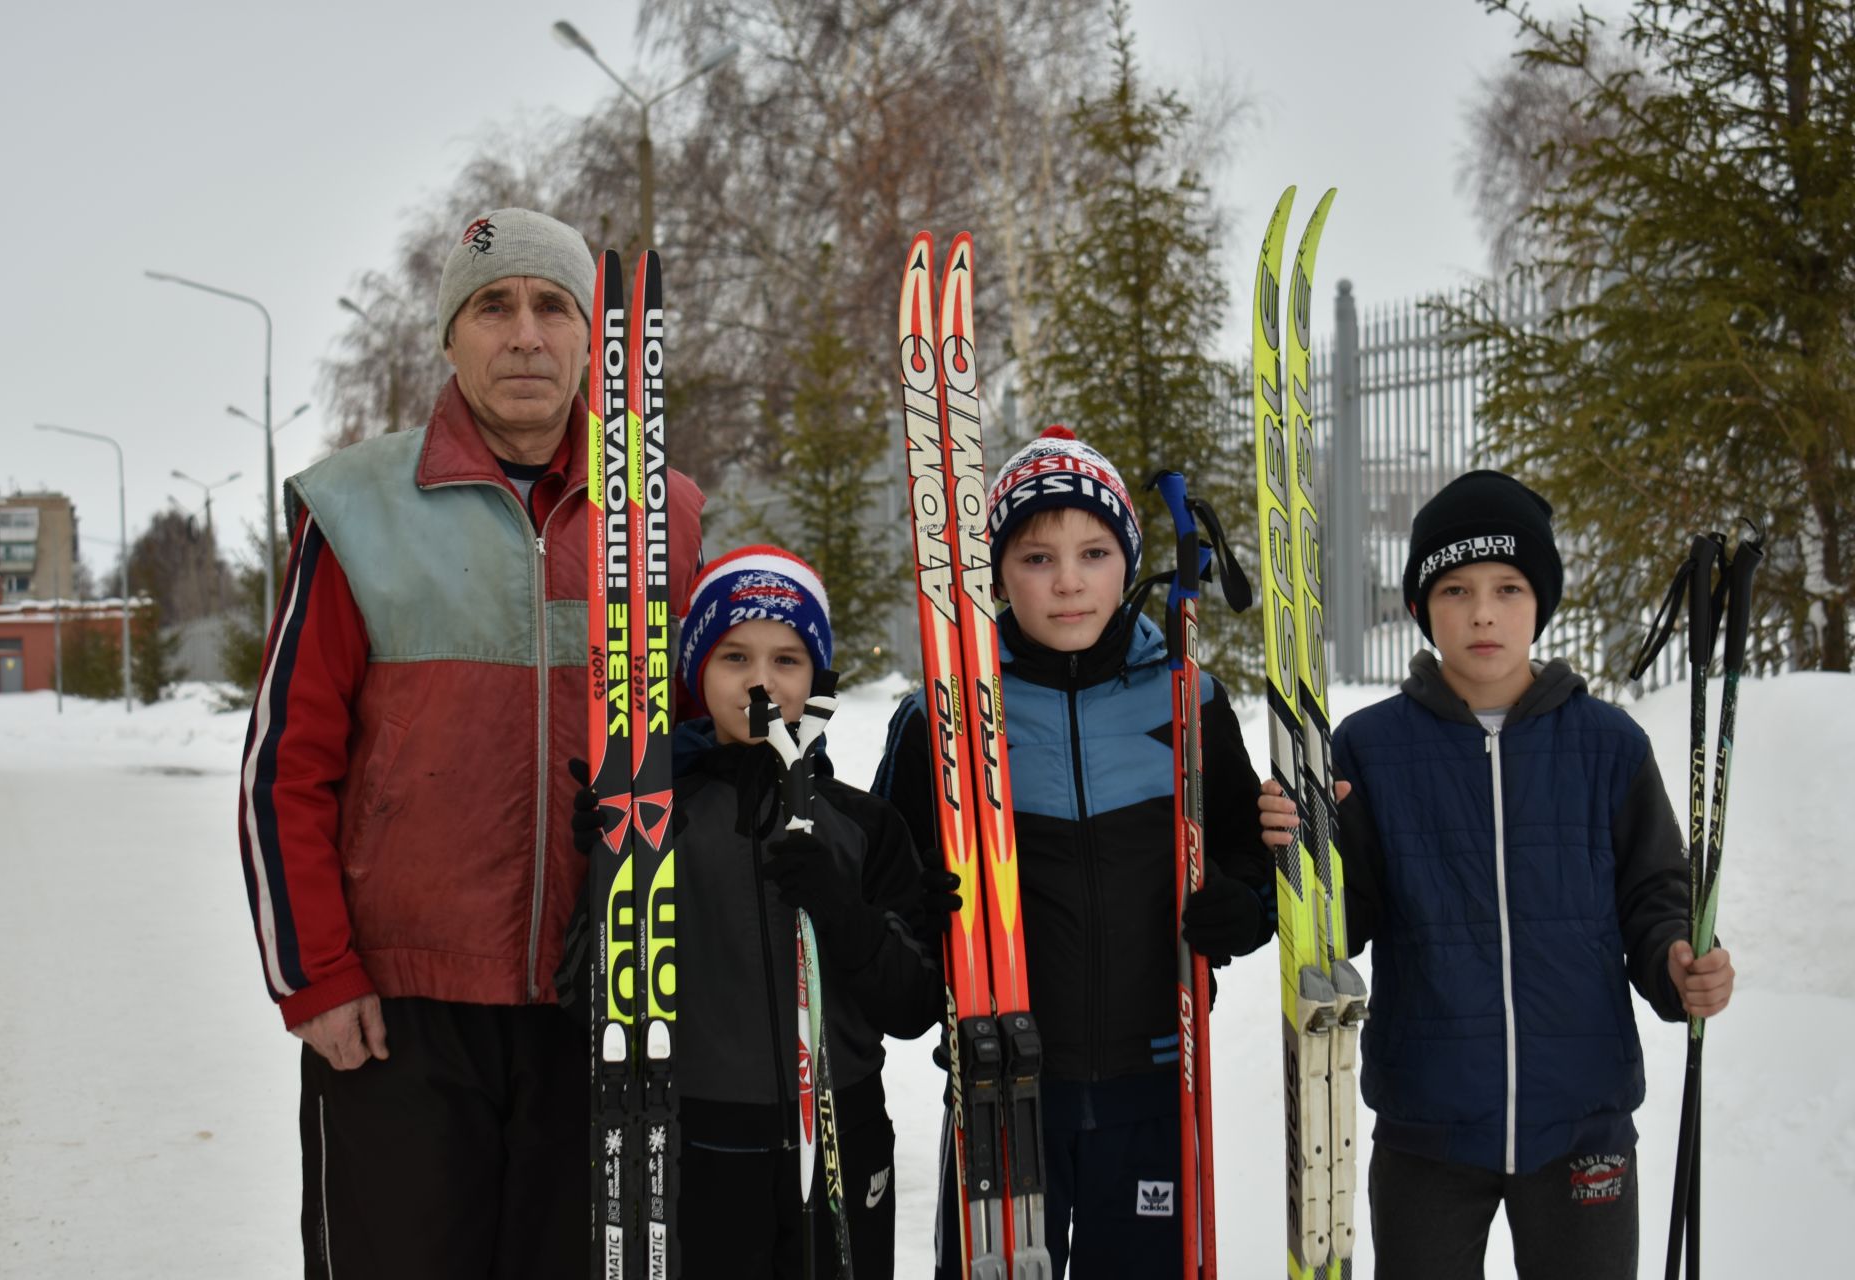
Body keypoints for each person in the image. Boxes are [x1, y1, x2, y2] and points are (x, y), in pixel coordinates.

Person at [235, 207, 705, 1278]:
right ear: (451, 337)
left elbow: (697, 741)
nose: (526, 334)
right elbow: (283, 767)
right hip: (399, 1014)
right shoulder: (358, 509)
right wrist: (316, 978)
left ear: (593, 338)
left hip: (602, 1001)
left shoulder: (662, 514)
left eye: (553, 306)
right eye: (493, 307)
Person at [1260, 469, 1736, 1280]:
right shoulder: (1370, 749)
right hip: (1427, 1125)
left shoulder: (1609, 746)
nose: (1484, 611)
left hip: (1581, 1118)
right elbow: (1347, 921)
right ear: (1421, 608)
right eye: (1455, 588)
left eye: (1509, 587)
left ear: (1540, 603)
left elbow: (1655, 895)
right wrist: (1303, 854)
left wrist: (1677, 962)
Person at [874, 427, 1272, 1279]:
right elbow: (884, 887)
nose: (1067, 582)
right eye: (1035, 557)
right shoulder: (942, 717)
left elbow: (1245, 846)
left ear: (1126, 562)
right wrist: (920, 916)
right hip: (1003, 1084)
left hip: (1158, 1076)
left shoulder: (1187, 698)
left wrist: (1246, 904)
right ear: (995, 573)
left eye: (1093, 552)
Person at [556, 544, 942, 1279]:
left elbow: (915, 1003)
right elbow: (582, 1000)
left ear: (816, 677)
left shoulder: (863, 826)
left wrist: (843, 913)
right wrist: (618, 877)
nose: (760, 680)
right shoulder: (661, 818)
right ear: (698, 672)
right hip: (698, 1145)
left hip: (841, 1137)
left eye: (787, 660)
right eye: (735, 657)